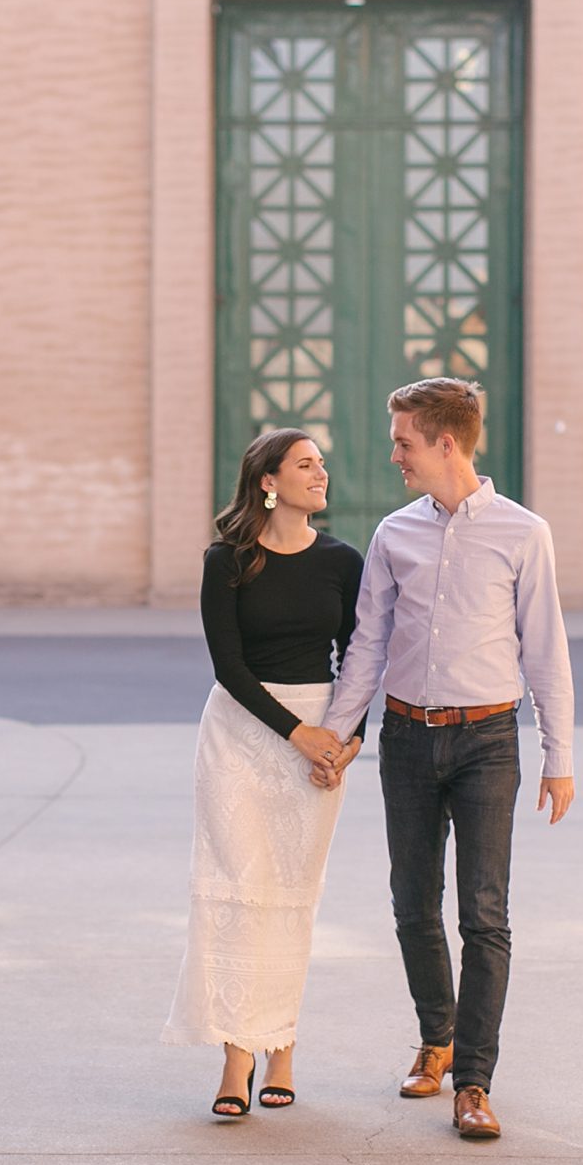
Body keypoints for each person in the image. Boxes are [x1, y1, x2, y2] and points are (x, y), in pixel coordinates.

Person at [318, 377, 576, 1141]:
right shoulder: (394, 534)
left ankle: (474, 1082)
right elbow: (366, 645)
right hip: (405, 738)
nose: (393, 455)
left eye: (402, 441)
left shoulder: (524, 533)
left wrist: (559, 754)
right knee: (412, 904)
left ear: (445, 444)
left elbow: (546, 649)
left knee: (484, 914)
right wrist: (336, 735)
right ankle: (438, 1038)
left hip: (488, 742)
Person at [163, 429, 366, 1117]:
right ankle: (235, 1055)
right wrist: (299, 734)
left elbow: (362, 658)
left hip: (320, 733)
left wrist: (345, 739)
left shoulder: (343, 560)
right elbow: (230, 666)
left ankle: (281, 1043)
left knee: (291, 895)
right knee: (235, 890)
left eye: (322, 465)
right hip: (240, 735)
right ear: (269, 481)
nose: (323, 474)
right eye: (307, 465)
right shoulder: (227, 560)